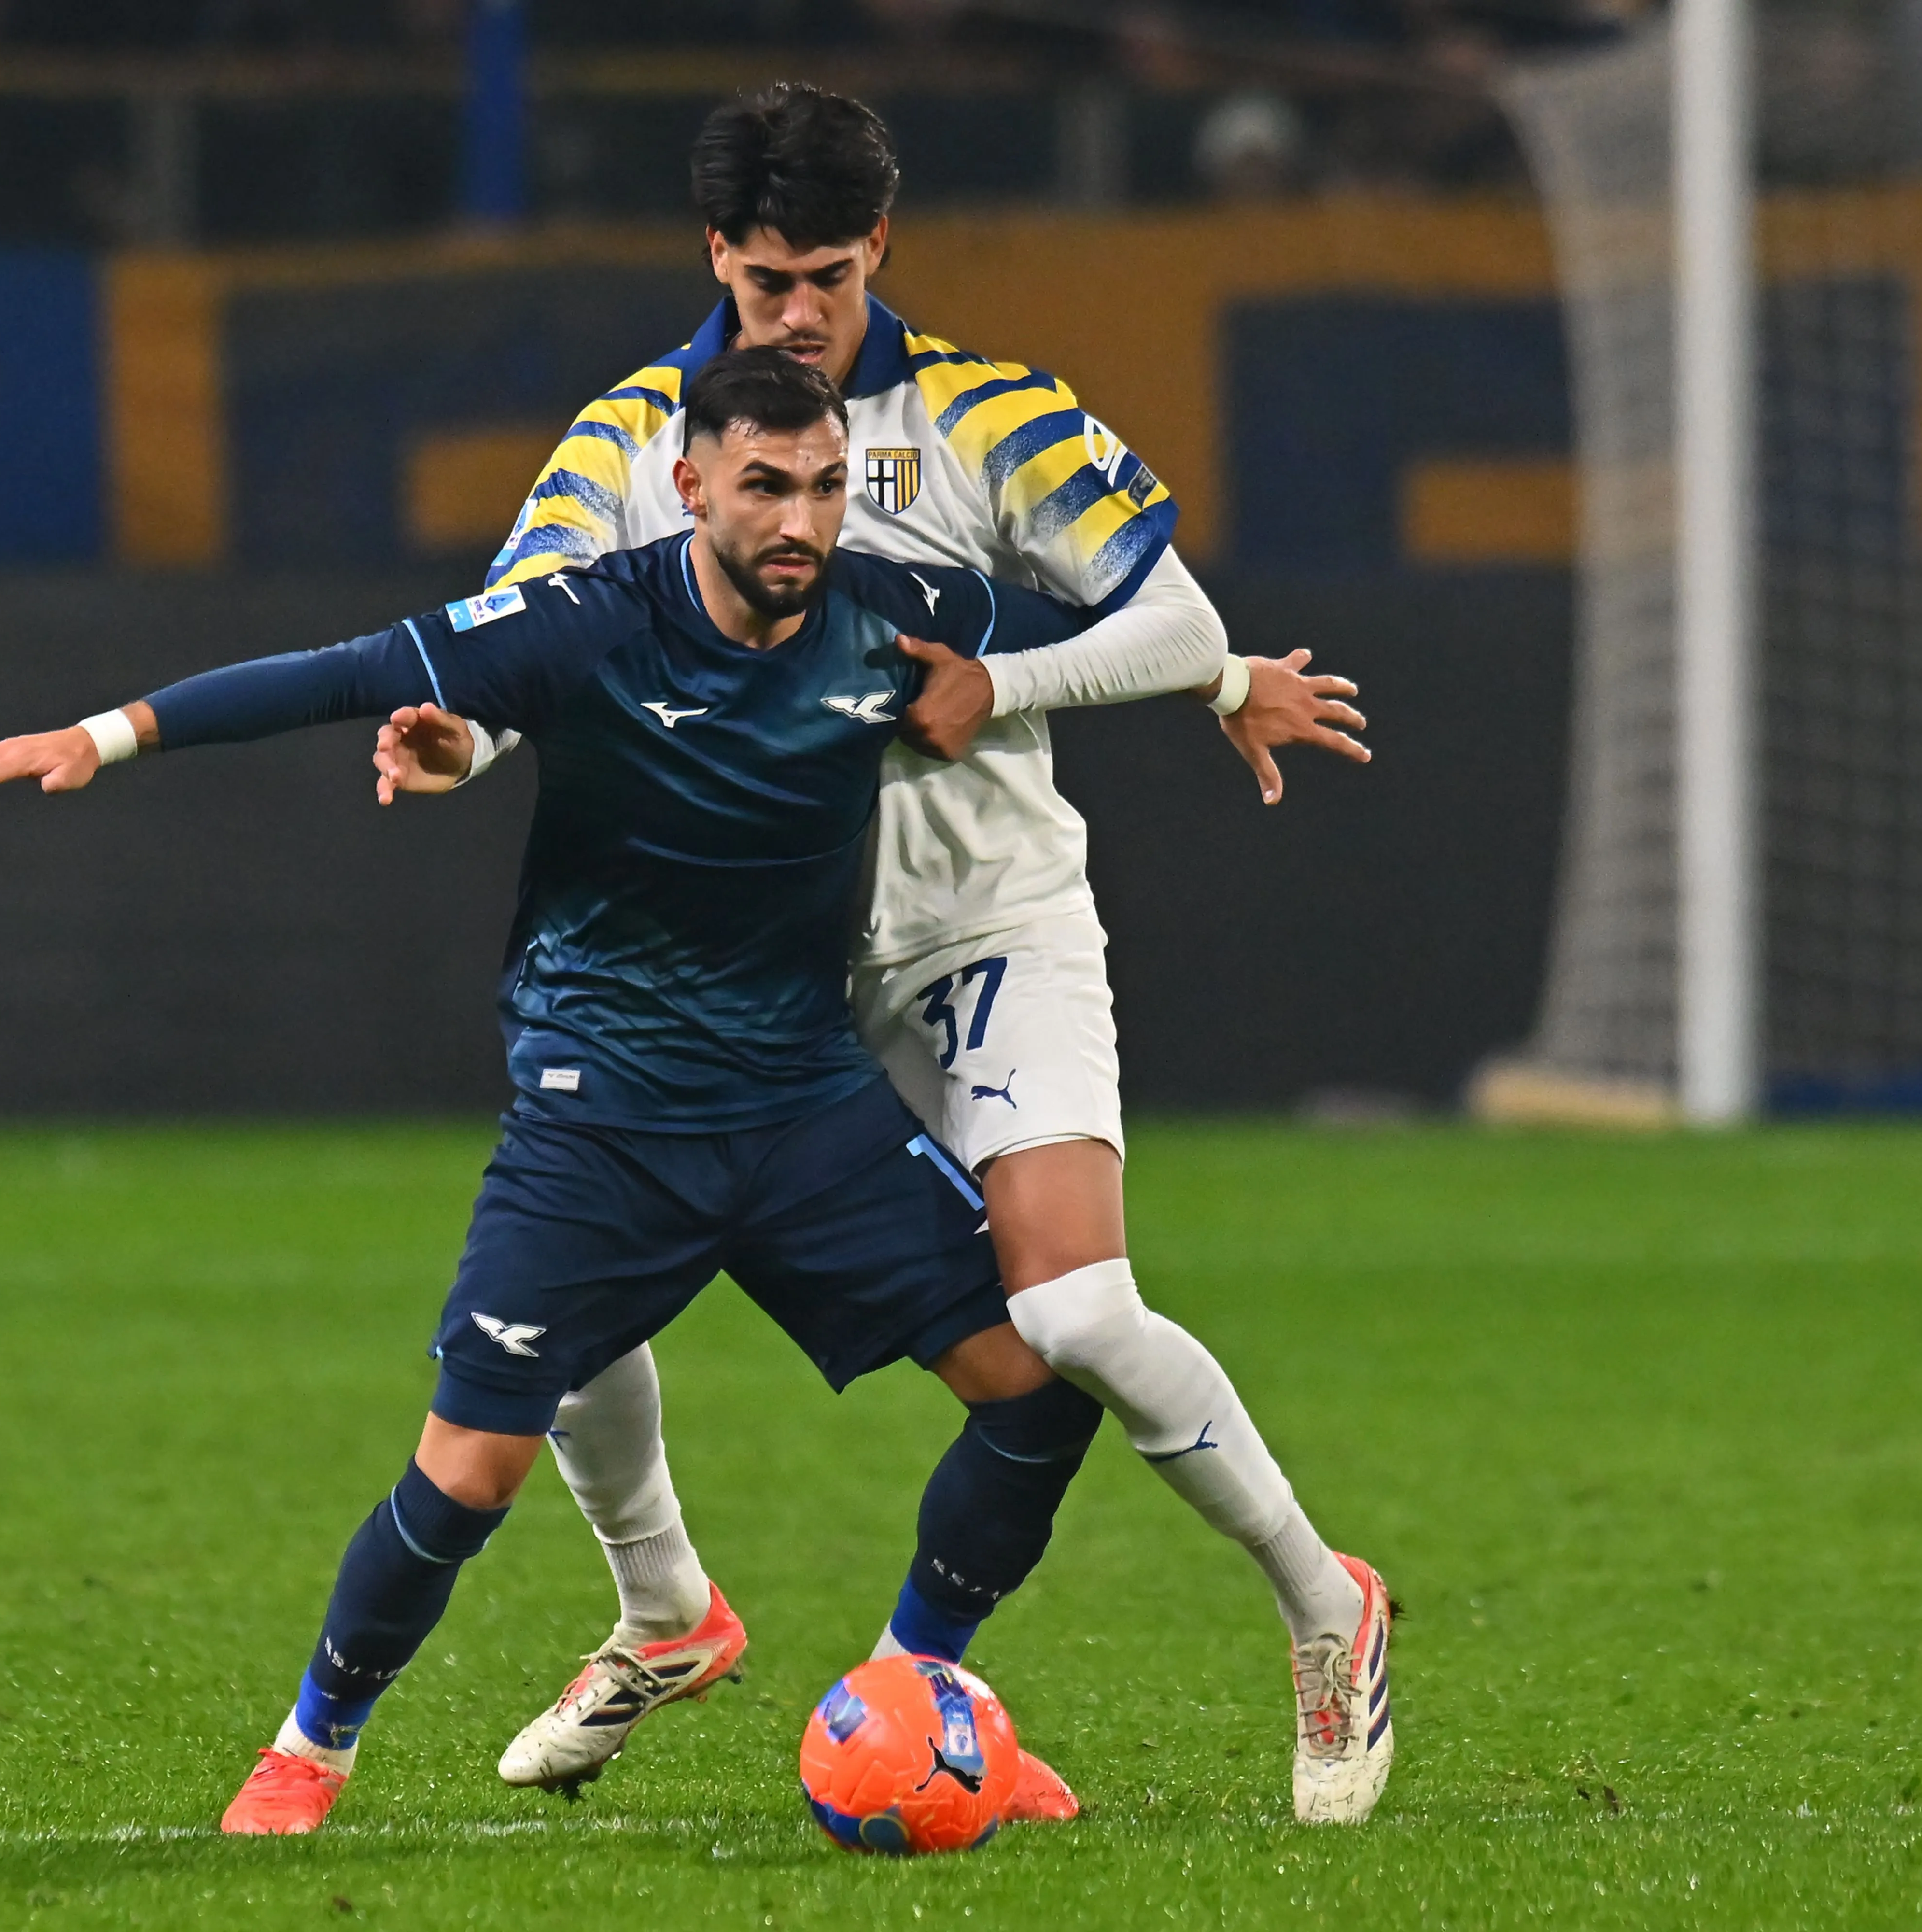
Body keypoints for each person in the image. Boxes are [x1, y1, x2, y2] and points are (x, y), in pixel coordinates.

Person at [0, 349, 1214, 1834]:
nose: (796, 520)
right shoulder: (587, 621)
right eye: (761, 488)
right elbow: (340, 673)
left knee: (1037, 1399)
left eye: (818, 489)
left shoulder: (888, 610)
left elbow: (1118, 629)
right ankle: (310, 1745)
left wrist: (1229, 678)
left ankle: (921, 1700)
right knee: (468, 1467)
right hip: (603, 1111)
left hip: (801, 1105)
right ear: (688, 488)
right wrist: (105, 736)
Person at [380, 84, 1394, 1825]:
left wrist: (1014, 679)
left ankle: (1323, 1602)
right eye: (766, 278)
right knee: (560, 1282)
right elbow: (509, 651)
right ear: (716, 255)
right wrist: (452, 742)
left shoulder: (984, 411)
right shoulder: (638, 438)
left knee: (1070, 1308)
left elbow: (1177, 616)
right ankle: (664, 1608)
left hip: (977, 922)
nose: (795, 313)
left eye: (828, 278)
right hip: (752, 954)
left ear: (881, 250)